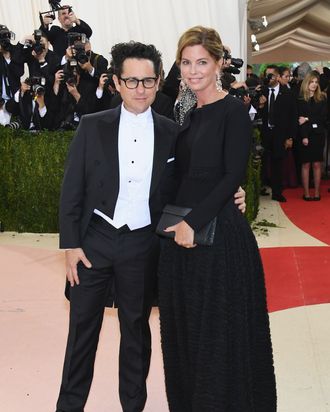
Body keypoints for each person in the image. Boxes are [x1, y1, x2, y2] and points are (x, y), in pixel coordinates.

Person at [56, 39, 246, 412]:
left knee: (135, 334)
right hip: (93, 242)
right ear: (116, 82)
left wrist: (234, 192)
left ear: (159, 82)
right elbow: (71, 189)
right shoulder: (92, 126)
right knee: (81, 336)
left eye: (147, 81)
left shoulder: (173, 131)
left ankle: (133, 406)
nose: (139, 89)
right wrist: (70, 244)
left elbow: (197, 178)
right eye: (131, 81)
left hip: (143, 245)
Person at [157, 26, 277, 411]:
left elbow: (230, 176)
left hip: (218, 241)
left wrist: (196, 221)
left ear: (220, 64)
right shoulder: (187, 112)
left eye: (202, 62)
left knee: (219, 334)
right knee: (188, 332)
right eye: (186, 62)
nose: (193, 71)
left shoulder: (233, 111)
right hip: (182, 241)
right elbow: (182, 175)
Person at [259, 65, 297, 202]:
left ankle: (277, 192)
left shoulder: (288, 93)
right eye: (267, 75)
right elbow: (253, 114)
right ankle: (260, 187)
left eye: (272, 75)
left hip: (280, 134)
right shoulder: (261, 91)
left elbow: (293, 117)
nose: (269, 78)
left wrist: (290, 137)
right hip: (264, 133)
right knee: (261, 162)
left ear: (278, 76)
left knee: (278, 163)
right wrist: (261, 105)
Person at [297, 71, 327, 200]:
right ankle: (307, 193)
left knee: (317, 164)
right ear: (307, 83)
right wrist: (304, 136)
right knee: (306, 164)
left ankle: (316, 193)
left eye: (316, 82)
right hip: (305, 135)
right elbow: (299, 120)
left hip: (318, 135)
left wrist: (308, 119)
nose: (314, 85)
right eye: (312, 82)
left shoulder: (322, 98)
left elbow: (323, 118)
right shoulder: (300, 99)